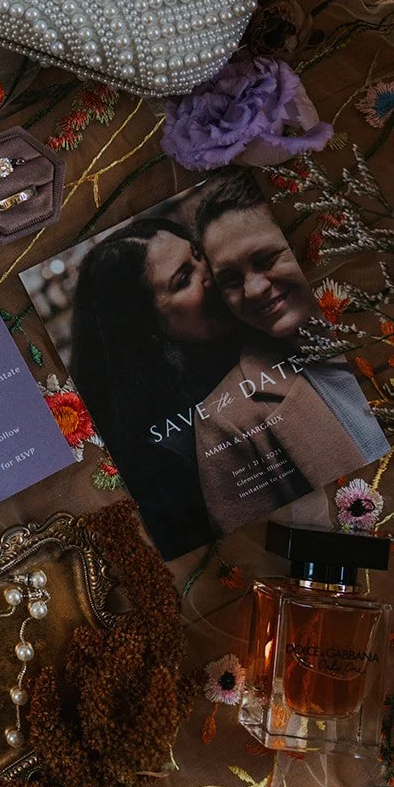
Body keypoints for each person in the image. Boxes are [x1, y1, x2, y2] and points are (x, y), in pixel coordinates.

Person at [191, 171, 387, 532]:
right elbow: (260, 547)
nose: (253, 289)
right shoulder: (225, 418)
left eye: (266, 259)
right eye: (231, 280)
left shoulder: (379, 302)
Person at [70, 213, 241, 558]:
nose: (209, 272)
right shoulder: (160, 457)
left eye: (197, 254)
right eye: (183, 279)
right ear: (147, 329)